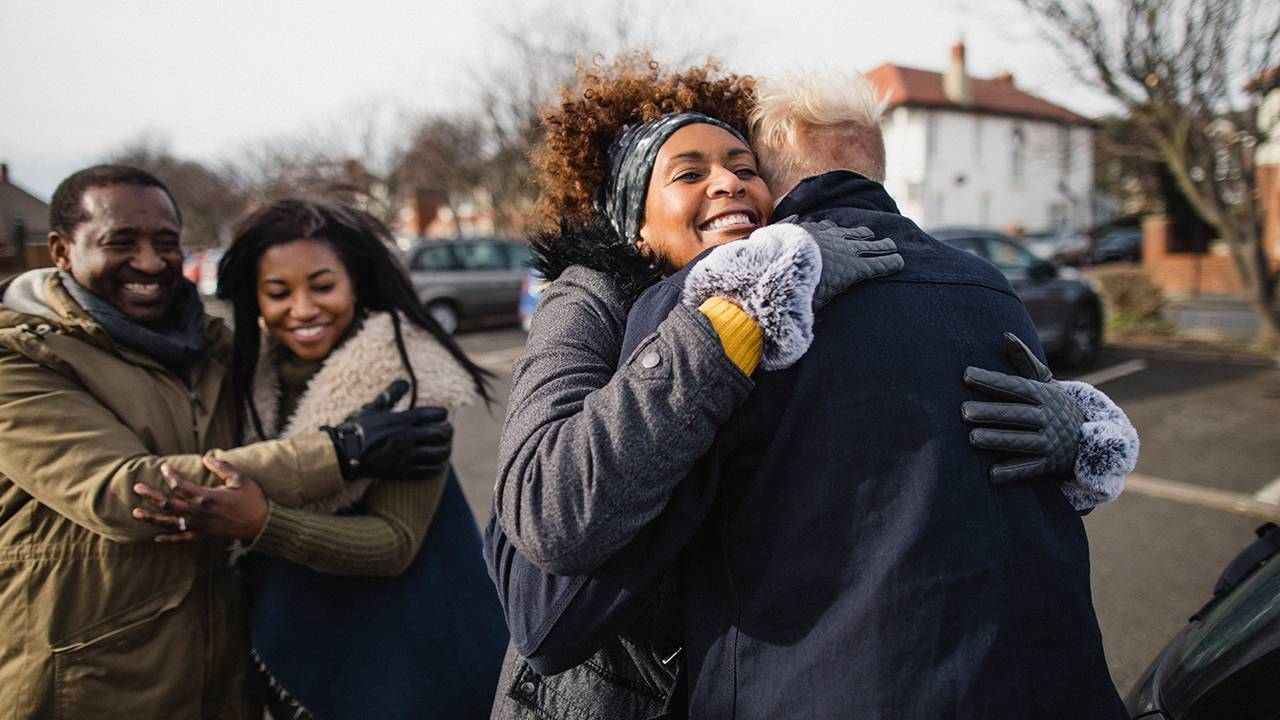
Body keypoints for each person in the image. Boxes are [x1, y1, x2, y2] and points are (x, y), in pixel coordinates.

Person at [484, 57, 1137, 719]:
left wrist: (1082, 435)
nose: (728, 185)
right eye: (689, 172)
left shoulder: (779, 284)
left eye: (745, 168)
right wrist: (730, 324)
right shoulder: (589, 300)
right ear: (636, 225)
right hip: (595, 692)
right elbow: (542, 585)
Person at [0, 167, 451, 718]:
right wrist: (342, 449)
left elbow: (395, 541)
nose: (149, 261)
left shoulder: (217, 351)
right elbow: (124, 491)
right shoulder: (20, 359)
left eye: (166, 243)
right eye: (121, 242)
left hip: (222, 681)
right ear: (61, 251)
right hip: (88, 685)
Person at [131, 199, 510, 719]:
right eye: (279, 293)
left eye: (323, 286)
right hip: (294, 640)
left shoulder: (408, 375)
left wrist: (262, 522)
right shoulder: (245, 374)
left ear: (355, 282)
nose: (303, 309)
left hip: (407, 655)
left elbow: (395, 543)